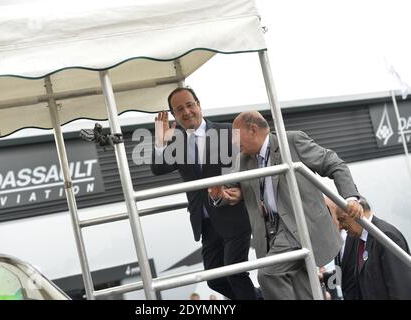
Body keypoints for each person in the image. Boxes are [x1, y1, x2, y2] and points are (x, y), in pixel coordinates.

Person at [209, 111, 363, 300]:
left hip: (298, 227)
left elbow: (333, 163)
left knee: (268, 274)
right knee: (303, 291)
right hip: (269, 234)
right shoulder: (243, 160)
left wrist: (350, 198)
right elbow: (229, 190)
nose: (234, 142)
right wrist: (219, 195)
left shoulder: (291, 141)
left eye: (236, 135)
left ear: (253, 129)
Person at [151, 87, 259, 300]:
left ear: (199, 105)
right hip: (206, 222)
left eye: (190, 105)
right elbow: (158, 168)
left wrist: (243, 191)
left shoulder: (228, 132)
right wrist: (160, 141)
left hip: (233, 215)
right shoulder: (177, 142)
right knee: (215, 279)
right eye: (179, 109)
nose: (187, 112)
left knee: (235, 273)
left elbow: (252, 165)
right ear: (174, 115)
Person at [335, 198, 411, 299]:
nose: (340, 226)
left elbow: (400, 290)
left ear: (358, 212)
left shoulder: (386, 237)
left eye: (342, 219)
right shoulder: (362, 240)